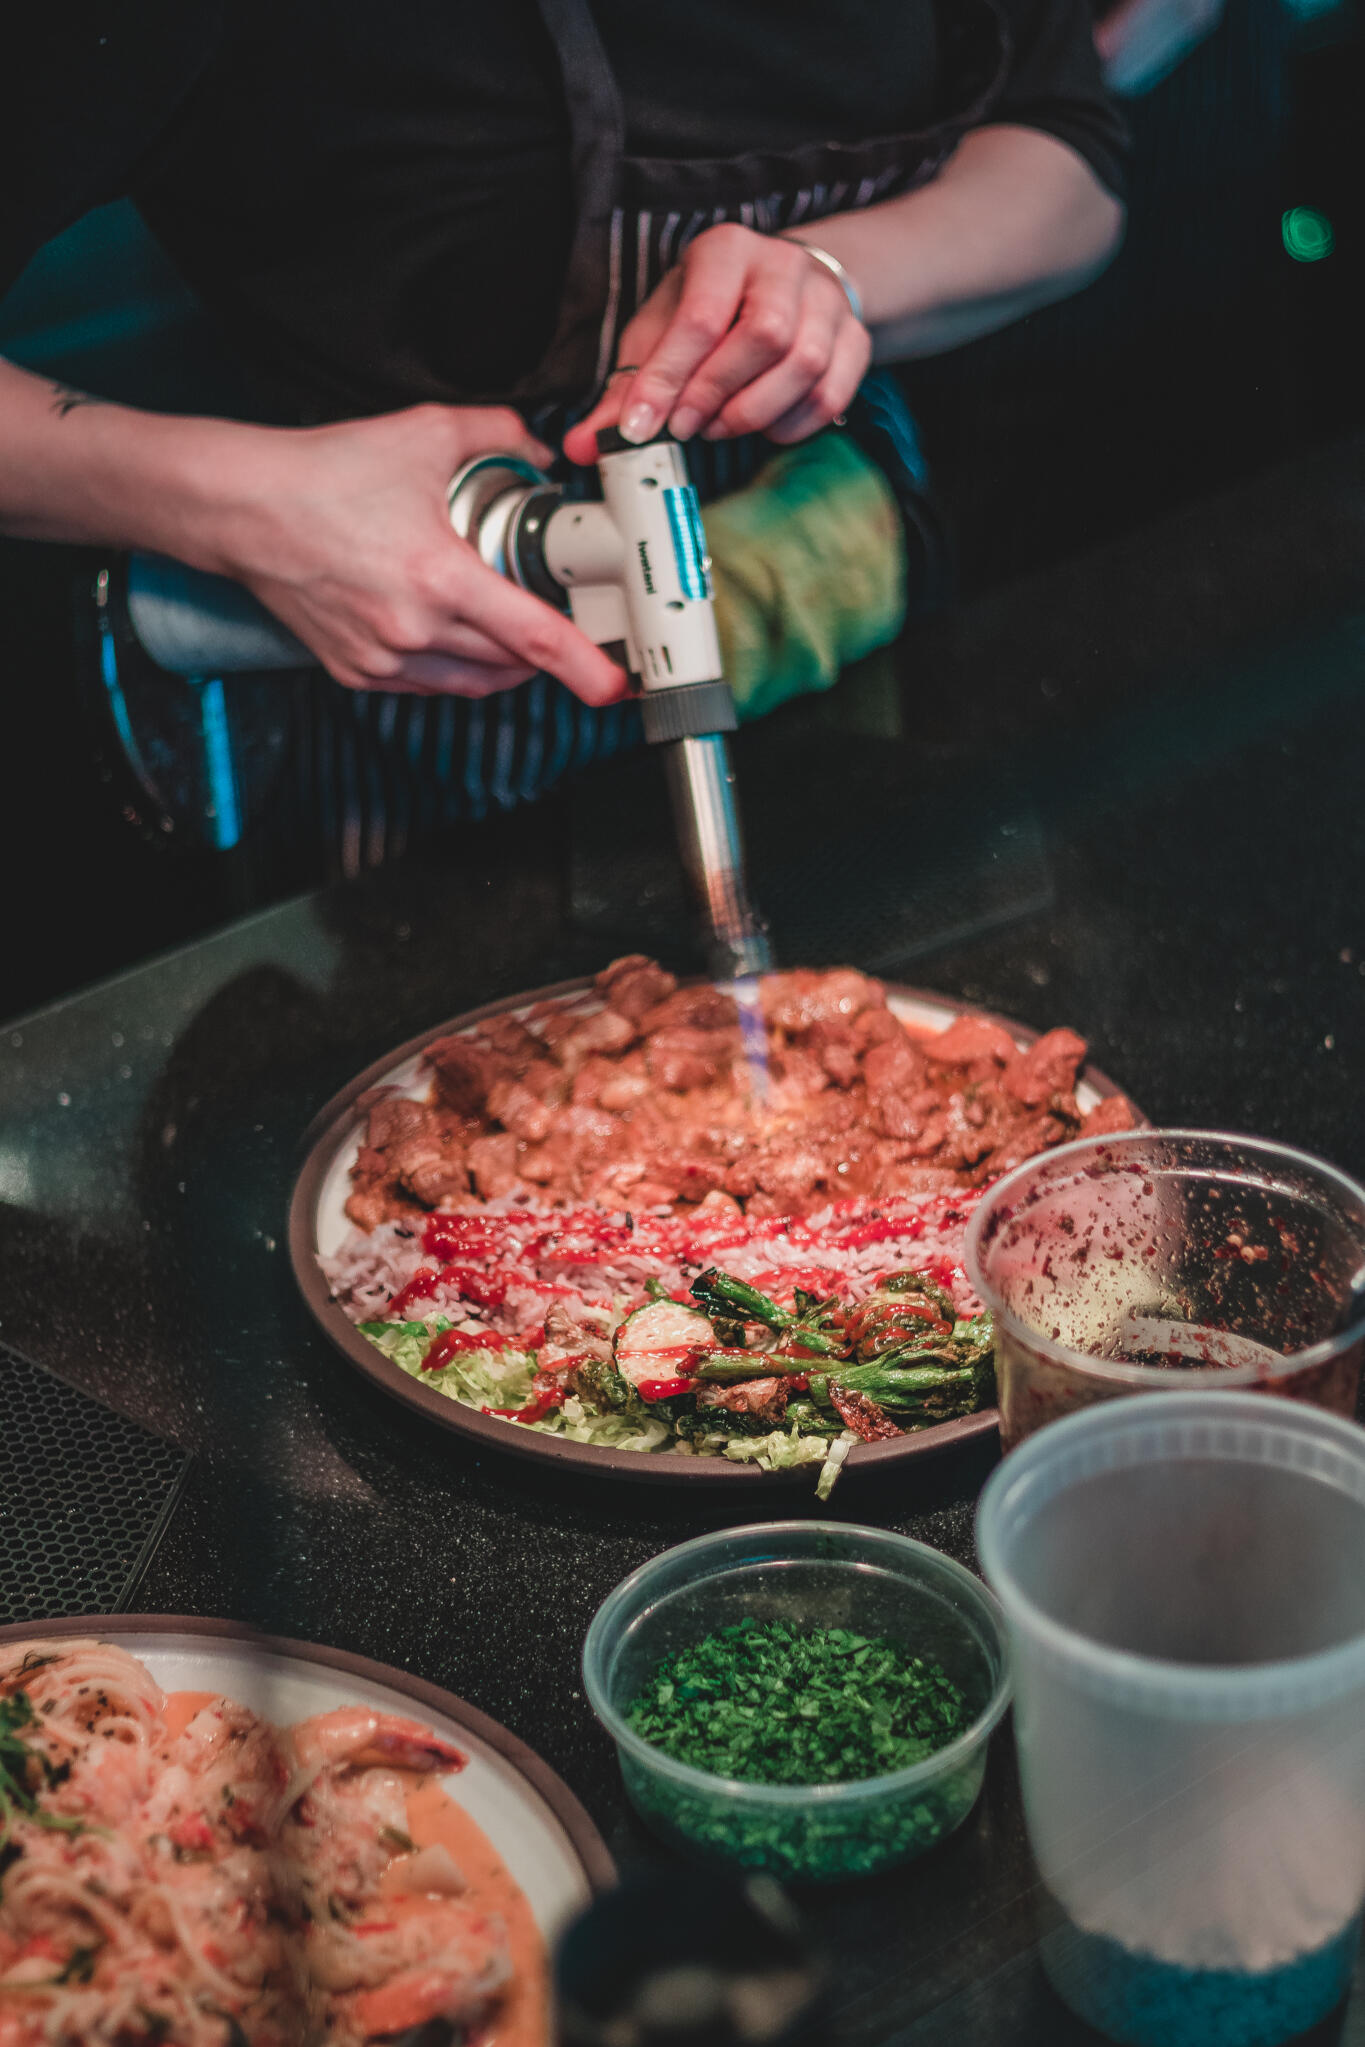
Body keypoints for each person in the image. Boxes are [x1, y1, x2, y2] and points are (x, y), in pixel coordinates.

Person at [1, 0, 1126, 866]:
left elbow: (1069, 158)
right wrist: (239, 503)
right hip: (437, 737)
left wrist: (830, 283)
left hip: (850, 622)